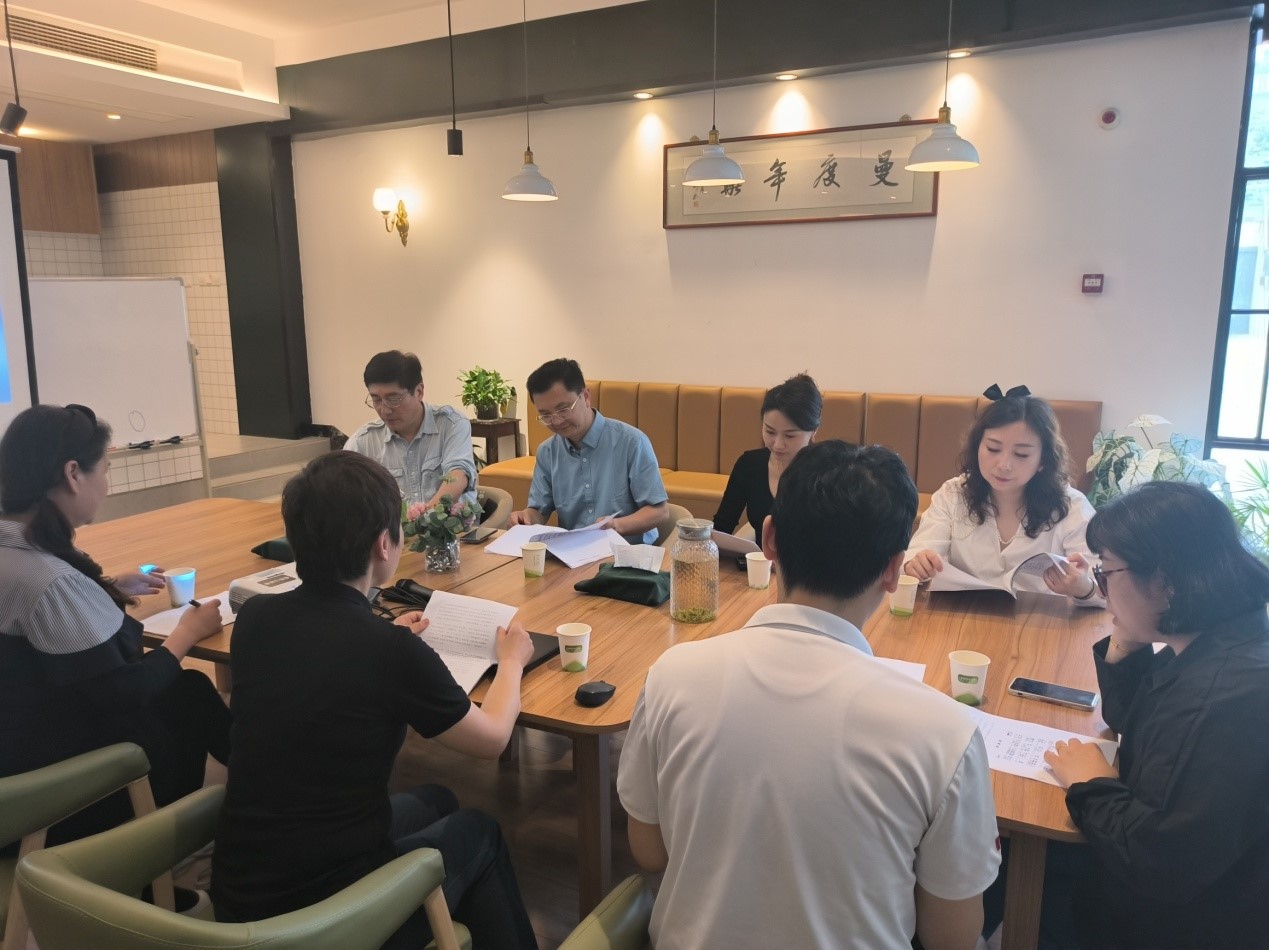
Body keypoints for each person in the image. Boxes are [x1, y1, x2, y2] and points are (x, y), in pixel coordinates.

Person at [616, 440, 1000, 950]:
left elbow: (649, 850)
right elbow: (952, 936)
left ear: (769, 539)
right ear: (893, 569)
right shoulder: (946, 734)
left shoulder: (671, 675)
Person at [211, 451, 537, 950]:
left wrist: (384, 635)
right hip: (320, 920)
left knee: (437, 801)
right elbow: (492, 740)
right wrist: (511, 661)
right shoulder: (388, 651)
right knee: (480, 833)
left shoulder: (256, 618)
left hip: (240, 894)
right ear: (384, 544)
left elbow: (326, 670)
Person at [1031, 481, 1269, 948]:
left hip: (1180, 921)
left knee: (1022, 861)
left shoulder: (1220, 698)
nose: (1102, 590)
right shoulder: (1226, 635)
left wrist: (1090, 784)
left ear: (1163, 582)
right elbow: (1136, 721)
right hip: (1195, 889)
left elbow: (1158, 860)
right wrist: (1128, 636)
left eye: (1106, 574)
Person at [0, 404, 229, 844]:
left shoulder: (20, 554)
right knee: (188, 694)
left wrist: (104, 587)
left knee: (187, 692)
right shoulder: (50, 582)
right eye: (105, 470)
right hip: (45, 796)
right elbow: (127, 690)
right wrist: (187, 632)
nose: (106, 486)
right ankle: (163, 847)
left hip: (17, 754)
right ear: (72, 474)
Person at [904, 390, 1102, 602]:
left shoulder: (1071, 506)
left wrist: (1084, 588)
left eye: (1021, 454)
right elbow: (919, 552)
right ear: (977, 447)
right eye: (993, 449)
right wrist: (915, 564)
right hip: (962, 617)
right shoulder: (953, 494)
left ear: (1043, 460)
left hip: (1039, 620)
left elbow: (1104, 589)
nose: (1004, 465)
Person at [508, 358, 668, 544]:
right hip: (573, 553)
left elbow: (659, 511)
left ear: (585, 396)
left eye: (563, 409)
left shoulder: (631, 442)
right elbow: (538, 512)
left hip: (629, 553)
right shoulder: (547, 452)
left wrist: (617, 525)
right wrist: (525, 517)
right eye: (546, 415)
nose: (557, 421)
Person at [346, 350, 477, 510]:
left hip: (451, 525)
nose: (384, 410)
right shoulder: (362, 442)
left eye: (393, 399)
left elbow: (457, 475)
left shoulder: (451, 424)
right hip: (394, 527)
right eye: (376, 400)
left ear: (419, 391)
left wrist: (422, 520)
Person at [712, 372, 821, 540]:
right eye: (770, 431)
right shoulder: (750, 465)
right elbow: (722, 527)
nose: (777, 445)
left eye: (790, 435)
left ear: (813, 431)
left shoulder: (829, 473)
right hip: (759, 558)